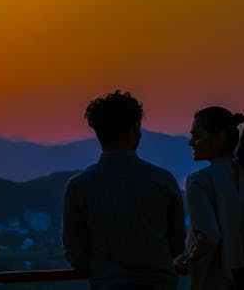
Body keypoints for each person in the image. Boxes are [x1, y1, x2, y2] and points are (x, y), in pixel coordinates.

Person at [62, 90, 186, 290]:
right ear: (133, 129)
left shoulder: (79, 186)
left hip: (107, 283)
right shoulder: (162, 181)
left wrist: (101, 269)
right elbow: (177, 242)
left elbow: (74, 249)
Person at [174, 107, 244, 289]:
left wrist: (185, 260)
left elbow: (208, 237)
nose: (191, 143)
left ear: (219, 138)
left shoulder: (199, 182)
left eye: (197, 136)